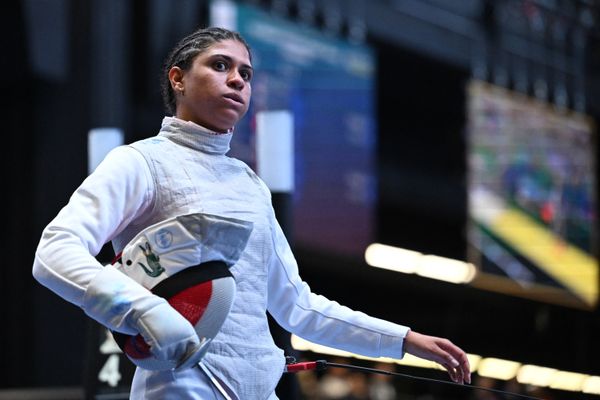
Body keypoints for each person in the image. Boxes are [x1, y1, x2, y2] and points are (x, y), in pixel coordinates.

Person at [32, 27, 471, 399]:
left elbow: (296, 306)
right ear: (178, 79)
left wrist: (405, 340)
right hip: (180, 387)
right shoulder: (139, 162)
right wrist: (143, 310)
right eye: (220, 66)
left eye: (246, 73)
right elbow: (54, 252)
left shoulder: (250, 185)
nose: (238, 80)